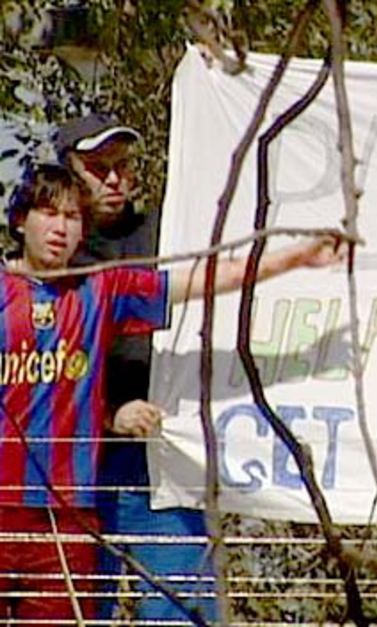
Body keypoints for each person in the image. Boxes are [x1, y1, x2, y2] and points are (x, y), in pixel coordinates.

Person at [0, 161, 345, 623]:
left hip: (68, 516)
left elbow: (202, 280)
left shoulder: (100, 289)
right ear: (21, 219)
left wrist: (293, 258)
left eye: (72, 217)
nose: (60, 228)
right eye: (48, 213)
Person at [55, 112, 219, 621]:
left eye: (122, 166)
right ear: (67, 172)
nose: (113, 179)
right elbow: (33, 374)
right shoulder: (49, 253)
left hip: (166, 459)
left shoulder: (169, 236)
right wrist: (109, 416)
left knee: (182, 610)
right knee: (72, 609)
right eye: (97, 167)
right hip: (75, 468)